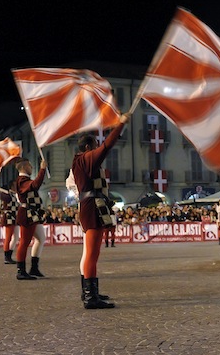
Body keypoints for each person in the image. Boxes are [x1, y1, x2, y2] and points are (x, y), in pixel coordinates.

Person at [72, 113, 129, 309]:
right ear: (88, 147)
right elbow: (107, 147)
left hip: (91, 205)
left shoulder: (80, 161)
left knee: (92, 253)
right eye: (95, 144)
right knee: (92, 253)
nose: (98, 147)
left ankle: (91, 292)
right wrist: (120, 125)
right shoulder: (86, 159)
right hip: (92, 206)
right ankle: (90, 297)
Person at [14, 157, 48, 280]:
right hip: (27, 213)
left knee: (40, 238)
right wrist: (42, 169)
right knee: (24, 242)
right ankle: (21, 270)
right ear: (23, 167)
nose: (31, 167)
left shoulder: (23, 180)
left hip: (32, 213)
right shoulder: (22, 180)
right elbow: (35, 185)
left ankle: (34, 268)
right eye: (29, 166)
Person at [0, 181, 19, 264]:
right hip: (9, 217)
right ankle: (6, 257)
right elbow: (3, 197)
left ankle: (9, 255)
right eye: (15, 185)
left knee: (16, 238)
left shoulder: (16, 195)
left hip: (15, 217)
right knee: (8, 238)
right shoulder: (7, 195)